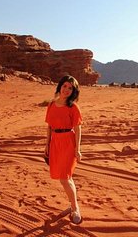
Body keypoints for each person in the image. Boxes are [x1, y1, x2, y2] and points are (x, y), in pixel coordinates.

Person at [44, 75, 83, 224]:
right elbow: (49, 127)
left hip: (68, 142)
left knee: (64, 178)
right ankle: (73, 204)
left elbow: (78, 129)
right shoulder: (51, 105)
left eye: (70, 88)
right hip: (55, 142)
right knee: (66, 178)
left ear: (73, 91)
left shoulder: (73, 107)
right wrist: (47, 145)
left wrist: (77, 149)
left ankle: (75, 208)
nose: (66, 90)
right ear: (60, 86)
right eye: (65, 86)